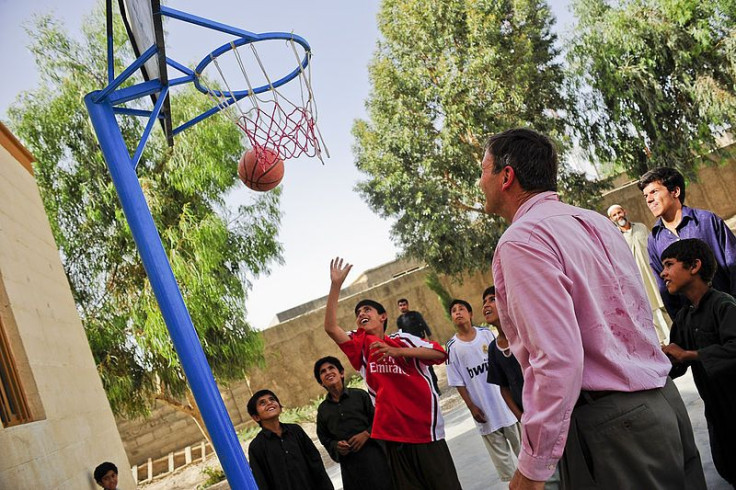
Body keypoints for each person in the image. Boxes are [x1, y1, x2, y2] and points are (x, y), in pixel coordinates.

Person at [478, 127, 705, 490]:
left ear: (506, 176)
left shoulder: (522, 241)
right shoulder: (595, 222)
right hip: (662, 401)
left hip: (613, 426)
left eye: (483, 169)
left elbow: (556, 360)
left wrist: (532, 471)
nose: (480, 181)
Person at [324, 257, 462, 490]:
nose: (361, 314)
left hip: (424, 431)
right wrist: (335, 285)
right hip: (393, 436)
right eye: (358, 313)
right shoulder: (360, 344)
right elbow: (330, 328)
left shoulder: (402, 339)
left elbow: (439, 354)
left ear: (383, 316)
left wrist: (397, 352)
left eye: (367, 309)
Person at [660, 238, 736, 486]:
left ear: (694, 266)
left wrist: (691, 355)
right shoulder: (684, 317)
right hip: (717, 410)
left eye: (669, 265)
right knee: (728, 463)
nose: (663, 273)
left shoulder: (723, 305)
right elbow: (676, 364)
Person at [483, 286, 560, 490]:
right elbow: (504, 388)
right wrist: (521, 417)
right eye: (484, 302)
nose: (486, 305)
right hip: (528, 419)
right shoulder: (493, 349)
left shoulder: (524, 333)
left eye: (492, 299)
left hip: (548, 412)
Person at [638, 167, 736, 318]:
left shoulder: (706, 221)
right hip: (697, 327)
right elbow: (665, 288)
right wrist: (682, 329)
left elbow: (733, 262)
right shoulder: (654, 240)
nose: (649, 200)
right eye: (645, 196)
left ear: (675, 192)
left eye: (654, 192)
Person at [445, 298, 521, 482]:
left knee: (525, 454)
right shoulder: (452, 348)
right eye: (454, 311)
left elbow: (502, 365)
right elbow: (458, 381)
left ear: (470, 314)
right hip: (484, 413)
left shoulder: (486, 334)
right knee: (507, 468)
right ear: (452, 318)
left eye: (461, 308)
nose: (458, 312)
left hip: (506, 409)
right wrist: (472, 407)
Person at [313, 356, 393, 490]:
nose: (328, 372)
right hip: (350, 466)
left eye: (331, 368)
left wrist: (366, 434)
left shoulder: (360, 396)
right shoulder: (323, 410)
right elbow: (324, 437)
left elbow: (379, 419)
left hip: (375, 458)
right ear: (321, 382)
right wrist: (335, 445)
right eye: (323, 371)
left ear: (342, 373)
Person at [607, 204, 671, 342]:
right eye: (615, 215)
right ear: (611, 219)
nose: (618, 216)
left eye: (619, 212)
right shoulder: (615, 238)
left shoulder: (641, 228)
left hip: (654, 275)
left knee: (666, 305)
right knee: (649, 312)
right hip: (637, 281)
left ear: (625, 211)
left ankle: (677, 336)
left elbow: (654, 248)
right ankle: (660, 343)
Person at [246, 389, 334, 490]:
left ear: (280, 407)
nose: (269, 403)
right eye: (262, 403)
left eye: (272, 399)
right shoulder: (256, 447)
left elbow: (315, 463)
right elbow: (261, 481)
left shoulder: (296, 431)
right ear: (256, 417)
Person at [396, 298, 441, 393]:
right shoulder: (399, 320)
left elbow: (425, 326)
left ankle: (436, 388)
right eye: (400, 305)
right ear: (399, 307)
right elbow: (401, 335)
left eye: (404, 304)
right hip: (410, 348)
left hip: (421, 344)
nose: (403, 307)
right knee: (417, 368)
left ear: (407, 305)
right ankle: (427, 389)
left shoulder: (415, 314)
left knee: (429, 366)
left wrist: (430, 338)